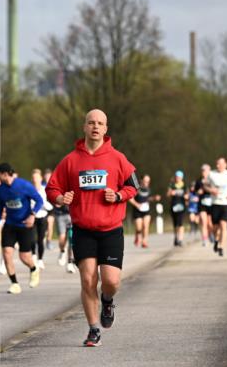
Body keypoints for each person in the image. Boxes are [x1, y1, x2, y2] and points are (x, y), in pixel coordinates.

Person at [45, 108, 138, 347]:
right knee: (87, 280)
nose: (95, 127)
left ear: (106, 129)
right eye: (91, 123)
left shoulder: (117, 158)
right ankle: (93, 328)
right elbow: (51, 189)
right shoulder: (70, 161)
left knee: (111, 281)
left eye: (100, 123)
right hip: (83, 229)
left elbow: (133, 186)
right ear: (84, 127)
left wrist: (118, 196)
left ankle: (107, 300)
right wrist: (59, 199)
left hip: (111, 229)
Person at [0, 163, 43, 294]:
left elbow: (39, 200)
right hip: (10, 224)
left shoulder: (24, 185)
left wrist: (33, 215)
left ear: (4, 174)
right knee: (7, 253)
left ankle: (33, 269)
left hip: (25, 224)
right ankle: (14, 284)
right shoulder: (0, 189)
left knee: (24, 257)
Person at [208, 157, 227, 257]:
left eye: (219, 164)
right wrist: (211, 190)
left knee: (223, 225)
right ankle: (216, 240)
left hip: (226, 203)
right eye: (216, 164)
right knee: (215, 227)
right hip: (215, 203)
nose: (217, 166)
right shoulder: (211, 174)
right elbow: (205, 185)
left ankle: (221, 247)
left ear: (225, 164)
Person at [31, 168, 52, 268]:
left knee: (40, 239)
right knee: (31, 238)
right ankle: (34, 256)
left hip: (42, 216)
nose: (35, 179)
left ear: (40, 178)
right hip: (32, 217)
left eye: (37, 177)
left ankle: (40, 259)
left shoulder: (45, 190)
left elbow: (51, 206)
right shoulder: (29, 189)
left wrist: (42, 204)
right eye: (33, 178)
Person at [129, 174, 153, 248]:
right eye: (145, 181)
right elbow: (130, 198)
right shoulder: (136, 188)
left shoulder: (149, 189)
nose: (147, 183)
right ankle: (137, 235)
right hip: (137, 211)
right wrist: (136, 204)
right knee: (139, 228)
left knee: (146, 226)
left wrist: (154, 198)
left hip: (146, 210)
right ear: (141, 180)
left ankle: (144, 241)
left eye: (148, 182)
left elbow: (148, 199)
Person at [193, 164, 213, 247]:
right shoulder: (198, 181)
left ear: (209, 171)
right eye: (202, 171)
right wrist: (198, 192)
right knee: (204, 222)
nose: (203, 172)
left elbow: (216, 190)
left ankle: (211, 234)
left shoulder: (212, 180)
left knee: (210, 223)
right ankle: (205, 239)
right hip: (202, 204)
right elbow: (194, 192)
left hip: (211, 203)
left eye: (205, 170)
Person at [167, 170, 188, 247]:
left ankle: (180, 239)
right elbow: (168, 194)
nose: (177, 178)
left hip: (182, 207)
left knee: (181, 223)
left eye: (179, 177)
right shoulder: (172, 185)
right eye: (176, 177)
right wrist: (171, 193)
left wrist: (185, 197)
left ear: (181, 178)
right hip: (173, 206)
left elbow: (187, 195)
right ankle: (176, 237)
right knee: (175, 224)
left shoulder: (184, 185)